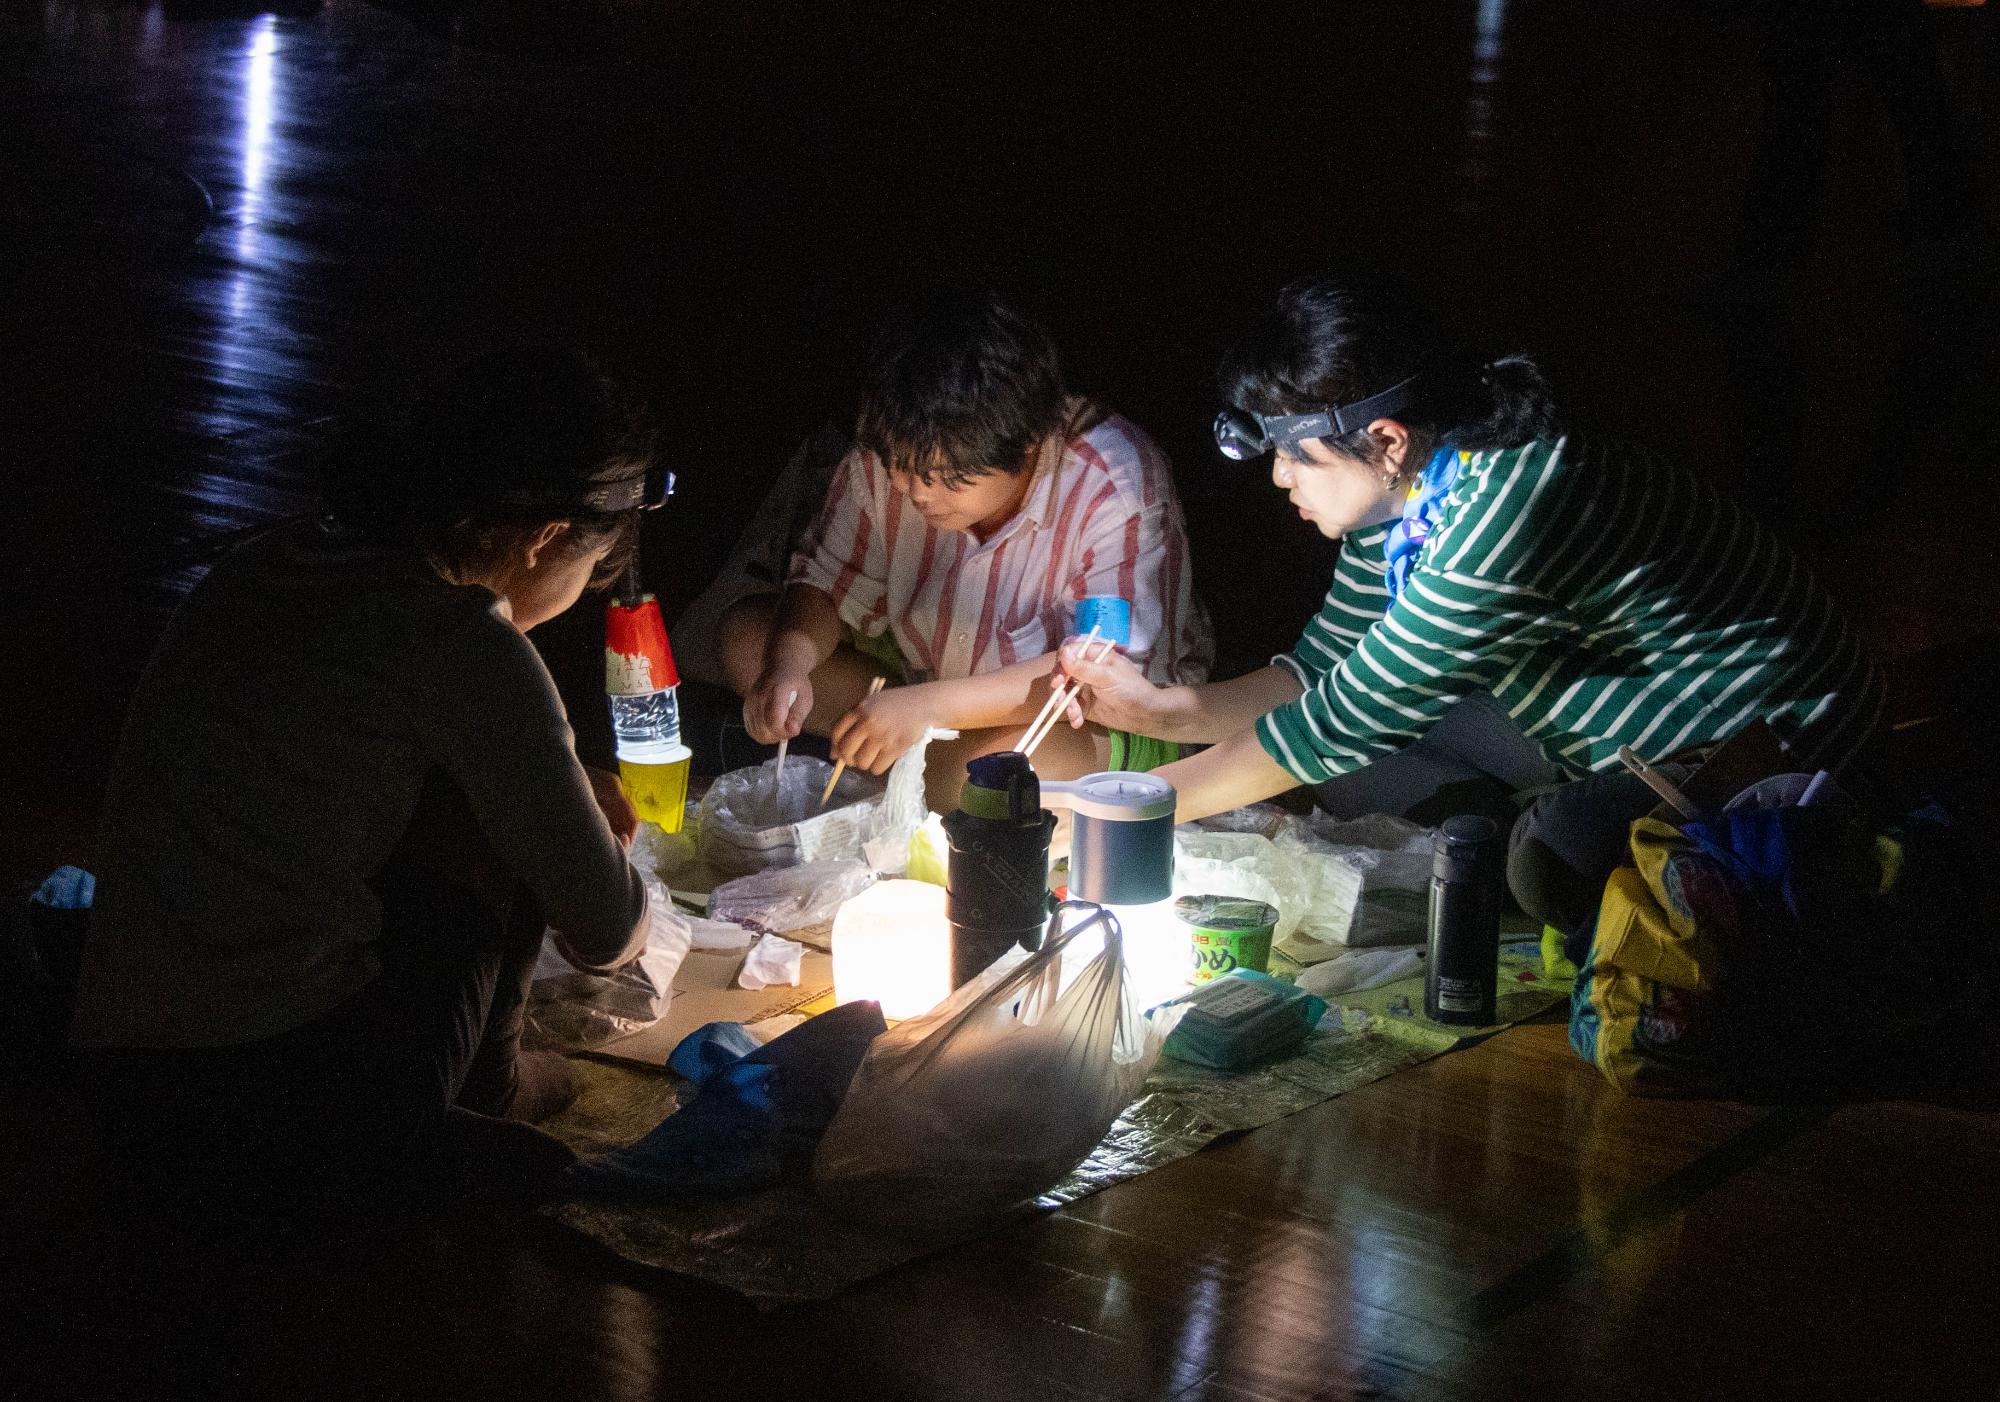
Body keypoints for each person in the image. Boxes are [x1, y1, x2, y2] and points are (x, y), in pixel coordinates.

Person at [1053, 278, 1885, 960]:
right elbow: (1325, 672)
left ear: (1385, 439)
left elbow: (1346, 718)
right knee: (1340, 767)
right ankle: (1507, 836)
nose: (1280, 479)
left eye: (1294, 456)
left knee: (1549, 863)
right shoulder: (1411, 484)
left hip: (1762, 742)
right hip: (1578, 717)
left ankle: (1525, 845)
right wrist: (1170, 713)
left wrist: (1114, 814)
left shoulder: (1506, 509)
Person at [70, 347, 667, 1219]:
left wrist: (555, 778)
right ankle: (487, 1087)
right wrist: (578, 819)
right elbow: (607, 929)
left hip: (119, 1082)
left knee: (458, 780)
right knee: (483, 804)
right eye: (592, 567)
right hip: (281, 1101)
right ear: (545, 537)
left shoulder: (262, 565)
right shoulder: (462, 644)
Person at [727, 286, 1212, 812]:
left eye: (946, 477)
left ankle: (925, 769)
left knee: (993, 780)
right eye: (902, 467)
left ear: (1028, 443)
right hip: (928, 678)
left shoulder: (1112, 484)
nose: (916, 492)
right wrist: (789, 666)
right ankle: (921, 763)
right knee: (750, 641)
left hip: (1082, 716)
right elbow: (824, 582)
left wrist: (926, 707)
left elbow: (1098, 674)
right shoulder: (896, 447)